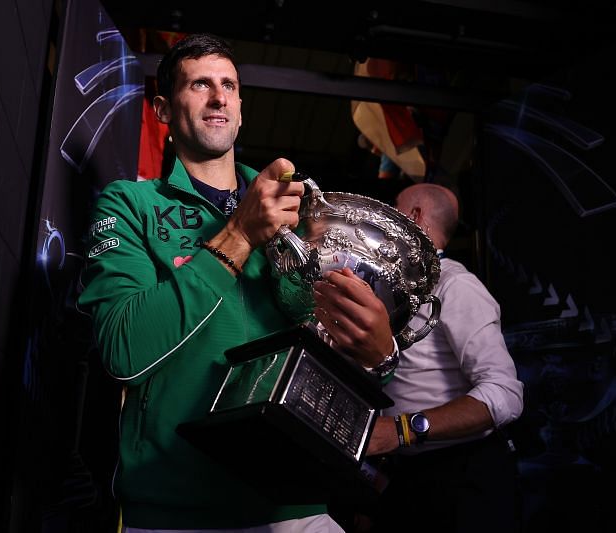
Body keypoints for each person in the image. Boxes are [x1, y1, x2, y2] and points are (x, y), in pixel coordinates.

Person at [78, 33, 397, 532]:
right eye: (200, 84)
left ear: (241, 109)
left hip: (296, 506)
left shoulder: (305, 216)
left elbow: (333, 356)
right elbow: (123, 351)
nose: (218, 96)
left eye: (228, 84)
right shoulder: (130, 205)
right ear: (163, 109)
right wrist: (237, 234)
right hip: (177, 508)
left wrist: (379, 357)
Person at [365, 183, 525, 532]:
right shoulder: (393, 290)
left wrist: (401, 430)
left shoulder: (456, 286)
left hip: (463, 477)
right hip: (409, 476)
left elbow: (505, 395)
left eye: (393, 206)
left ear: (415, 216)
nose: (381, 216)